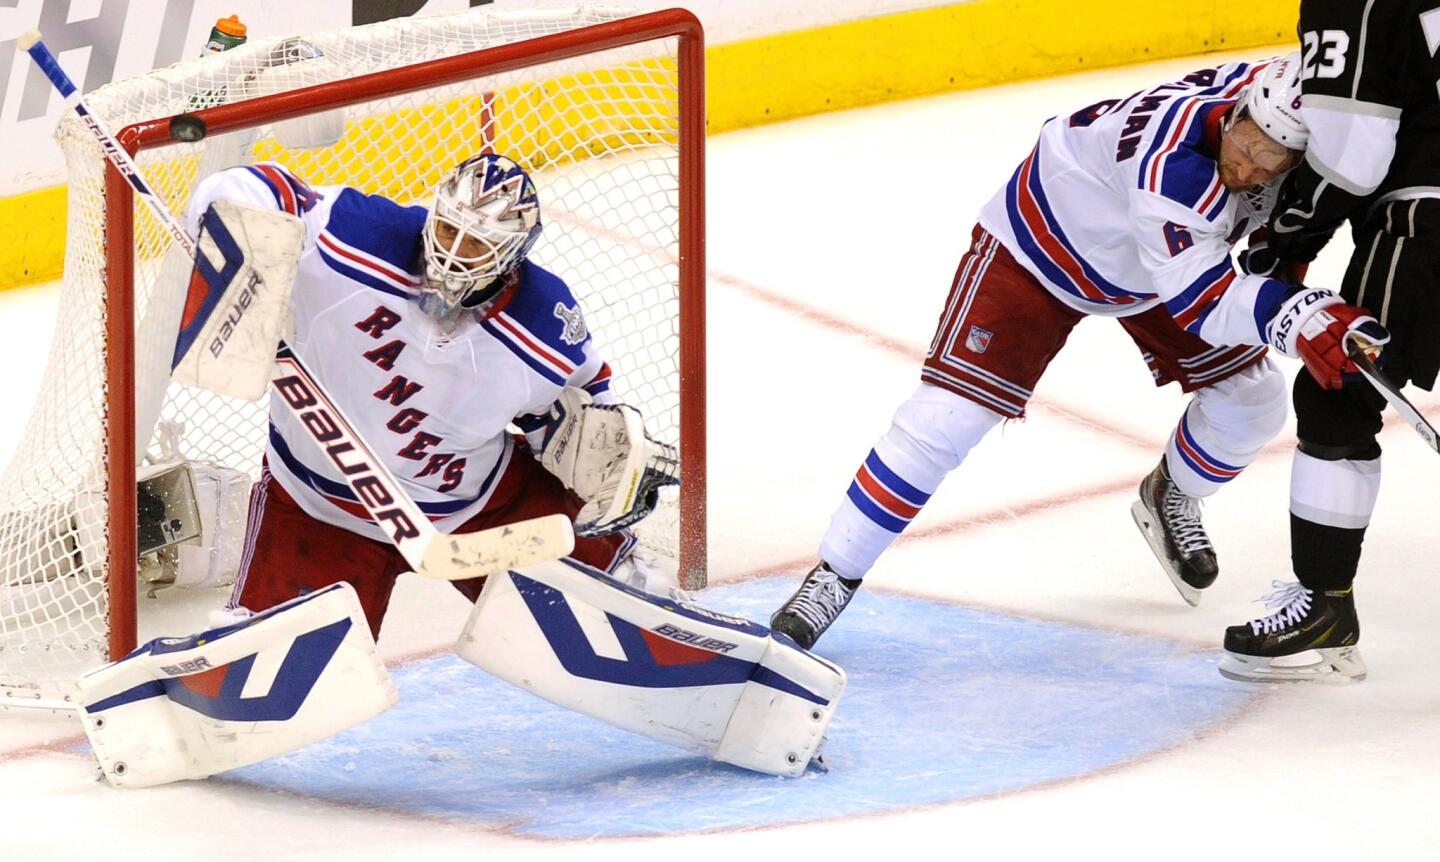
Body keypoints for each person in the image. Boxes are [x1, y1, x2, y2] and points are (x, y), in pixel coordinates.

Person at [770, 53, 1390, 650]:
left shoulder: (1270, 99)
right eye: (1248, 147)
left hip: (1159, 264)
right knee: (944, 420)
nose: (1251, 170)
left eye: (1271, 163)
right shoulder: (1173, 169)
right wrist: (1299, 316)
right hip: (1040, 247)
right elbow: (1201, 300)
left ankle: (1169, 492)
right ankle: (831, 577)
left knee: (1252, 402)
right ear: (1236, 115)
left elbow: (1262, 233)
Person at [186, 153, 662, 638]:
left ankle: (647, 617)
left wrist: (610, 467)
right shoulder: (359, 235)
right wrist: (233, 239)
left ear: (513, 254)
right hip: (319, 507)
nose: (455, 252)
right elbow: (254, 186)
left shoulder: (542, 322)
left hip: (479, 506)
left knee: (620, 608)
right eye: (450, 230)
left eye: (477, 243)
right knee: (274, 660)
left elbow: (582, 412)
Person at [1220, 1, 1440, 682]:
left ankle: (1324, 604)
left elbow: (1353, 157)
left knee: (1338, 385)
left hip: (1424, 216)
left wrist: (1283, 243)